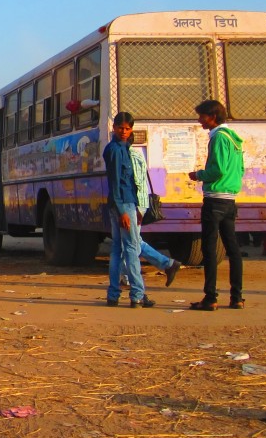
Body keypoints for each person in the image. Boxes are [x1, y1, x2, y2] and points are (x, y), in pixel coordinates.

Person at [188, 99, 245, 311]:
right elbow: (240, 170)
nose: (200, 120)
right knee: (233, 248)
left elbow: (217, 169)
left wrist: (198, 175)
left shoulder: (218, 138)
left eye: (202, 116)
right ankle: (237, 296)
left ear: (212, 116)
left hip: (214, 198)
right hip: (230, 199)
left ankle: (210, 297)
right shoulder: (235, 139)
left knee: (210, 249)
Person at [103, 113, 153, 308]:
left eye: (127, 129)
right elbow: (115, 183)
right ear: (114, 127)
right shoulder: (115, 150)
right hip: (123, 204)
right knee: (132, 249)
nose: (124, 132)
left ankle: (114, 295)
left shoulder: (123, 147)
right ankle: (137, 295)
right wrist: (123, 211)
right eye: (120, 128)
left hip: (122, 203)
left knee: (117, 249)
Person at [130, 139, 182, 287]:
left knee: (131, 242)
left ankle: (165, 264)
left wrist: (136, 208)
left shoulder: (129, 157)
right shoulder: (137, 155)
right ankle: (166, 264)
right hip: (138, 203)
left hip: (134, 204)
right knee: (129, 241)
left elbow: (137, 184)